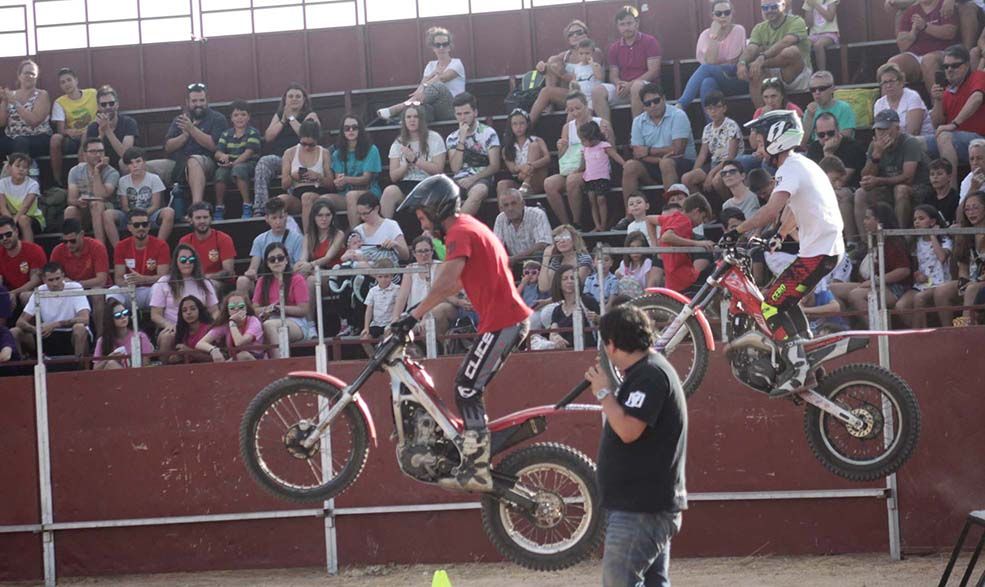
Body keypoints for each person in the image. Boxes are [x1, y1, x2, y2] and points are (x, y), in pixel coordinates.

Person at [390, 175, 532, 492]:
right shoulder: (466, 228)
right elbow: (453, 280)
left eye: (423, 216)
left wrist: (412, 316)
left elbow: (449, 281)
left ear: (437, 209)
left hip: (503, 323)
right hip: (501, 321)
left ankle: (477, 465)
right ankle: (473, 456)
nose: (423, 225)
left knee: (467, 387)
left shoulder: (460, 232)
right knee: (466, 385)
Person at [729, 109, 845, 396]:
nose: (758, 147)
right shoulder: (801, 165)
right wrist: (779, 235)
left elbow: (771, 210)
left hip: (818, 253)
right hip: (824, 250)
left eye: (760, 140)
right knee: (786, 302)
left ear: (776, 138)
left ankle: (797, 370)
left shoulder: (789, 168)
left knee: (768, 306)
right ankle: (807, 357)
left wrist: (738, 230)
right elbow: (794, 208)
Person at [583, 304, 687, 587]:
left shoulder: (649, 375)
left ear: (612, 344)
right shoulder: (648, 371)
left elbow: (629, 430)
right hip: (644, 506)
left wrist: (604, 392)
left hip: (641, 509)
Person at [618, 83, 697, 229]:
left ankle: (671, 214)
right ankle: (629, 217)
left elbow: (678, 149)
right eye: (648, 103)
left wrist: (648, 151)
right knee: (630, 166)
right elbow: (637, 153)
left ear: (664, 99)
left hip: (683, 163)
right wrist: (658, 158)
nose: (653, 105)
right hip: (656, 163)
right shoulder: (638, 121)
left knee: (666, 163)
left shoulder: (678, 115)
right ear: (643, 106)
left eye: (656, 100)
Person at [829, 202, 912, 328]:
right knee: (832, 288)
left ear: (879, 221)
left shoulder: (893, 242)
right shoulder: (872, 240)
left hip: (895, 288)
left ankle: (878, 332)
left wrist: (876, 281)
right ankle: (845, 327)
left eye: (868, 218)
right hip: (874, 284)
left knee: (855, 295)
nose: (864, 222)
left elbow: (904, 270)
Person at [544, 92, 615, 228]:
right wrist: (561, 148)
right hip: (572, 168)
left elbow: (612, 152)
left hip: (596, 170)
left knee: (572, 180)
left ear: (586, 105)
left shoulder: (601, 123)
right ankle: (566, 224)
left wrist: (603, 139)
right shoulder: (567, 127)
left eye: (578, 108)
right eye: (571, 110)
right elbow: (562, 159)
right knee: (549, 183)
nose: (575, 113)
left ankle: (577, 222)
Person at [149, 82, 228, 207]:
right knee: (146, 167)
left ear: (207, 101)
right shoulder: (180, 119)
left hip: (206, 163)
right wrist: (184, 136)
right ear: (187, 102)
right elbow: (167, 148)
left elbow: (215, 146)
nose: (198, 104)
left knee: (193, 161)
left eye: (202, 100)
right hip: (178, 163)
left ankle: (197, 207)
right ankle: (156, 210)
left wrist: (192, 130)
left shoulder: (218, 118)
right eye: (194, 101)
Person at [854, 109, 932, 232]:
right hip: (888, 187)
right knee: (860, 193)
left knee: (900, 190)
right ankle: (865, 242)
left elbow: (908, 177)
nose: (881, 133)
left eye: (885, 129)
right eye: (879, 129)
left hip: (917, 187)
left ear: (897, 128)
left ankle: (899, 237)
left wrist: (878, 181)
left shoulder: (909, 142)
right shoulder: (874, 145)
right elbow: (865, 176)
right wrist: (876, 156)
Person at [254, 83, 321, 215]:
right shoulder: (280, 115)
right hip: (279, 157)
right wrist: (283, 120)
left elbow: (307, 135)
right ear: (285, 100)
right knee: (263, 162)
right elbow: (268, 137)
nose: (294, 99)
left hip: (301, 159)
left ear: (304, 100)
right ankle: (260, 208)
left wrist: (291, 118)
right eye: (290, 96)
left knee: (294, 170)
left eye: (298, 96)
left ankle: (292, 207)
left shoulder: (310, 115)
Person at [376, 26, 465, 123]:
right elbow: (422, 86)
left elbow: (442, 79)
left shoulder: (456, 63)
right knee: (422, 109)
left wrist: (425, 86)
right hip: (434, 109)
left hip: (453, 109)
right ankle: (400, 120)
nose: (441, 48)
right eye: (437, 45)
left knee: (438, 87)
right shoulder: (431, 65)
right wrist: (431, 75)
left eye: (445, 44)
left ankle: (397, 109)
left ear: (449, 46)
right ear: (433, 47)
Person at [739, 0, 814, 109]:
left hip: (795, 74)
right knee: (754, 72)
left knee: (790, 51)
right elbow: (751, 49)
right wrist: (741, 63)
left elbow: (786, 42)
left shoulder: (797, 21)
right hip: (771, 71)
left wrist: (761, 58)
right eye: (765, 8)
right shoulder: (759, 28)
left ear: (783, 6)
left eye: (773, 6)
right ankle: (763, 116)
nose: (769, 10)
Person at [529, 20, 608, 123]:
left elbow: (584, 78)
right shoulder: (566, 55)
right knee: (551, 64)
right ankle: (528, 125)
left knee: (551, 75)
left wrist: (561, 73)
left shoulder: (594, 52)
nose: (575, 36)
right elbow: (552, 65)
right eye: (571, 34)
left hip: (589, 93)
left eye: (579, 32)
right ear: (568, 39)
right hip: (571, 92)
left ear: (586, 34)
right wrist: (543, 68)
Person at [150, 243, 219, 360]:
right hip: (174, 327)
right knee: (167, 337)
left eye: (191, 259)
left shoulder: (204, 282)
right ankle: (164, 372)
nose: (187, 262)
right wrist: (168, 325)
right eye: (183, 259)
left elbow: (215, 311)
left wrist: (213, 326)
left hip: (199, 328)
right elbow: (155, 314)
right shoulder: (164, 282)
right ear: (176, 262)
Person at [677, 1, 749, 112]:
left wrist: (714, 67)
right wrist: (714, 35)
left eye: (727, 12)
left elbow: (731, 61)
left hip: (735, 79)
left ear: (732, 14)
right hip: (717, 81)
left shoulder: (738, 30)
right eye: (719, 13)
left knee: (706, 69)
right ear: (712, 15)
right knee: (707, 82)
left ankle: (681, 105)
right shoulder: (705, 35)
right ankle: (712, 126)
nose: (723, 16)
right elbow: (710, 61)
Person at [594, 5, 662, 121]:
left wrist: (630, 85)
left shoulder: (650, 42)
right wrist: (619, 84)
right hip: (624, 89)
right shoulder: (614, 48)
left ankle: (637, 133)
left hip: (647, 88)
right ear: (618, 27)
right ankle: (606, 135)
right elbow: (613, 75)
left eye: (629, 23)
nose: (626, 27)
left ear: (637, 23)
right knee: (598, 91)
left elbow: (654, 71)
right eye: (622, 24)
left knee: (637, 86)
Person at [929, 44, 985, 182]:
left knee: (945, 136)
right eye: (946, 66)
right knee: (914, 143)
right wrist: (937, 100)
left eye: (955, 65)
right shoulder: (947, 91)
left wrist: (954, 124)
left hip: (979, 140)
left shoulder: (977, 76)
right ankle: (924, 190)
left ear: (966, 65)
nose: (949, 70)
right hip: (953, 141)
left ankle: (950, 192)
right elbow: (937, 124)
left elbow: (977, 98)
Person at [380, 105, 447, 219]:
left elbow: (438, 170)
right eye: (408, 117)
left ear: (421, 120)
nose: (412, 120)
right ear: (404, 121)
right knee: (389, 191)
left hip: (428, 183)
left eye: (416, 117)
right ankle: (387, 231)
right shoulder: (398, 142)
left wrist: (415, 160)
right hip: (405, 184)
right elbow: (393, 176)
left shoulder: (434, 138)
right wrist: (405, 165)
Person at [15, 262, 91, 358]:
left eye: (58, 278)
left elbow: (85, 319)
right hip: (47, 335)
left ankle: (81, 370)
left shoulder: (75, 287)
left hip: (70, 333)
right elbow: (20, 321)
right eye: (51, 280)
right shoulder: (39, 291)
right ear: (44, 280)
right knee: (15, 332)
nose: (55, 283)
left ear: (63, 276)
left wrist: (54, 325)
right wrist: (36, 330)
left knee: (80, 328)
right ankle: (20, 370)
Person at [318, 115, 381, 229]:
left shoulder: (371, 149)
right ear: (343, 132)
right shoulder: (337, 153)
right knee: (322, 200)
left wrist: (346, 179)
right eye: (347, 128)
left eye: (354, 127)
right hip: (345, 194)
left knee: (351, 196)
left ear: (360, 129)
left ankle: (354, 235)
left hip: (369, 192)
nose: (351, 130)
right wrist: (338, 182)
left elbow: (366, 178)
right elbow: (339, 186)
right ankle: (332, 236)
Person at [681, 92, 742, 208]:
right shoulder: (707, 129)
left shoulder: (731, 125)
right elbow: (703, 155)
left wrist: (710, 174)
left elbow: (731, 157)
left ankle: (730, 208)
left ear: (724, 108)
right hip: (714, 163)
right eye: (709, 108)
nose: (713, 111)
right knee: (687, 178)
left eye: (717, 107)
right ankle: (705, 209)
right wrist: (695, 171)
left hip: (730, 163)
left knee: (717, 181)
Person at [896, 204, 953, 327]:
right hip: (922, 284)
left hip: (939, 283)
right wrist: (918, 275)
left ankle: (920, 335)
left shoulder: (944, 240)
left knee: (920, 298)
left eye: (921, 219)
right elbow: (918, 266)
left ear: (932, 221)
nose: (917, 222)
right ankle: (920, 331)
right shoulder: (916, 242)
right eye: (915, 219)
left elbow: (942, 257)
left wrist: (933, 235)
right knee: (901, 306)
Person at [446, 92, 501, 216]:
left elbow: (495, 166)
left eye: (466, 113)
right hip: (458, 179)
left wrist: (473, 179)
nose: (462, 118)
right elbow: (455, 168)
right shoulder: (452, 138)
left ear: (475, 113)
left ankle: (459, 229)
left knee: (478, 191)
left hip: (481, 178)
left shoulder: (488, 133)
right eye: (459, 114)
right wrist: (461, 139)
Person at [935, 190, 985, 325]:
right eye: (967, 209)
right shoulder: (965, 234)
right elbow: (963, 266)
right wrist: (964, 282)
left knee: (971, 289)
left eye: (975, 208)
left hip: (982, 280)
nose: (971, 212)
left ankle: (964, 329)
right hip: (972, 279)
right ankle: (948, 332)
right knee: (941, 291)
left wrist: (974, 283)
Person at [253, 242, 311, 359]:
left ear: (286, 260)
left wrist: (280, 309)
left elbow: (304, 310)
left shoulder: (297, 279)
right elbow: (254, 308)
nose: (276, 262)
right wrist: (268, 309)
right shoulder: (262, 281)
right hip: (270, 318)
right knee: (263, 326)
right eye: (272, 259)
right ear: (267, 263)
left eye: (280, 258)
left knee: (269, 326)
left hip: (296, 322)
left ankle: (279, 362)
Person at [237, 198, 306, 296]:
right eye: (274, 218)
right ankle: (247, 310)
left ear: (286, 216)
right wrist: (251, 272)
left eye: (281, 217)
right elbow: (253, 267)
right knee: (242, 281)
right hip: (266, 282)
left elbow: (299, 265)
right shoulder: (259, 240)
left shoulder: (297, 238)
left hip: (289, 279)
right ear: (267, 219)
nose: (278, 221)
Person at [49, 218, 110, 330]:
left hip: (92, 293)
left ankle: (100, 339)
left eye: (72, 241)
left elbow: (101, 280)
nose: (68, 245)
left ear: (81, 234)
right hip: (71, 294)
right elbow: (52, 278)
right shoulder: (58, 251)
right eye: (64, 241)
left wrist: (74, 284)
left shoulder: (97, 247)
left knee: (97, 292)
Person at [392, 235, 457, 337]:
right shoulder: (410, 268)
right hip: (413, 311)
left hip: (434, 309)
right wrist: (395, 318)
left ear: (432, 251)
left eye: (427, 251)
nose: (424, 254)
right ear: (414, 253)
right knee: (390, 331)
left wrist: (423, 317)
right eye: (420, 251)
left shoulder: (440, 266)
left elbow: (438, 293)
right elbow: (402, 296)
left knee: (426, 326)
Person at [63, 136, 123, 248]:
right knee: (70, 210)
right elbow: (71, 199)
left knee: (96, 204)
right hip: (85, 209)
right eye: (93, 151)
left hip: (106, 209)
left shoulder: (112, 172)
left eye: (100, 151)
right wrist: (78, 202)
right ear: (85, 155)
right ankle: (72, 247)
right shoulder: (75, 171)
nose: (98, 154)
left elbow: (102, 195)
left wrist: (96, 172)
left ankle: (100, 248)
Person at [888, 0, 957, 95]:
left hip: (942, 52)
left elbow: (950, 33)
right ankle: (891, 106)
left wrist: (925, 26)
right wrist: (913, 33)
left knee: (928, 60)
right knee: (893, 64)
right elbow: (902, 45)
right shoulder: (911, 11)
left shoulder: (944, 5)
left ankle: (937, 105)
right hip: (915, 55)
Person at [109, 208, 170, 311]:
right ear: (129, 227)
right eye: (136, 225)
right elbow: (118, 279)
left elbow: (162, 277)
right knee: (112, 292)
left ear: (149, 226)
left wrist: (143, 279)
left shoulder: (161, 245)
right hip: (130, 289)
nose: (141, 228)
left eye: (144, 224)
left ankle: (159, 324)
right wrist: (132, 282)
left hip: (151, 290)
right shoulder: (121, 246)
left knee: (161, 288)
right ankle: (121, 324)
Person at [115, 147, 175, 245]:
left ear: (144, 162)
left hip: (150, 214)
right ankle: (118, 248)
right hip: (130, 216)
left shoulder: (154, 178)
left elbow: (156, 205)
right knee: (108, 215)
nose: (135, 165)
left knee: (169, 212)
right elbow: (125, 206)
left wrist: (141, 216)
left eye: (138, 161)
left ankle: (159, 245)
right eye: (131, 163)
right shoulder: (123, 181)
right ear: (127, 166)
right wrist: (134, 216)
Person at [213, 100, 262, 220]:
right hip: (229, 165)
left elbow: (248, 153)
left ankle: (247, 205)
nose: (239, 118)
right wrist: (222, 156)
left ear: (249, 117)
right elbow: (217, 152)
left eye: (243, 114)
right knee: (219, 173)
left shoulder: (253, 132)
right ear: (231, 118)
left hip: (249, 163)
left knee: (238, 169)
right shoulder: (226, 134)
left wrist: (233, 164)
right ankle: (219, 206)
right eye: (236, 115)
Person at [48, 67, 96, 186]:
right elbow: (61, 130)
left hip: (93, 135)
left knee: (87, 133)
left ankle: (84, 180)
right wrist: (68, 132)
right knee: (55, 139)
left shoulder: (93, 94)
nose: (66, 84)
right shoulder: (59, 102)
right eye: (62, 82)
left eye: (69, 80)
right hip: (72, 138)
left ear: (76, 80)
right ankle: (57, 181)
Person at [277, 119, 333, 217]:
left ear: (317, 140)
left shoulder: (324, 153)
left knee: (307, 197)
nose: (307, 147)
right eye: (303, 144)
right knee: (280, 200)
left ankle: (308, 232)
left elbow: (331, 185)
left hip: (319, 194)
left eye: (311, 145)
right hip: (297, 196)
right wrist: (293, 176)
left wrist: (318, 177)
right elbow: (284, 185)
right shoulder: (289, 153)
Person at [179, 202, 236, 295]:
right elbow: (181, 268)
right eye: (198, 218)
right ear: (190, 220)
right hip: (193, 282)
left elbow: (228, 271)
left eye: (205, 217)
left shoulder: (223, 238)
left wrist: (206, 277)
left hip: (219, 283)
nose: (202, 221)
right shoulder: (185, 241)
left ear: (211, 218)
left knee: (209, 285)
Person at [0, 59, 51, 162]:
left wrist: (15, 103)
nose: (29, 76)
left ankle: (22, 175)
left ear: (37, 77)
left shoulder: (42, 95)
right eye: (26, 73)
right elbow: (2, 123)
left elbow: (34, 121)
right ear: (19, 76)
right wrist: (5, 101)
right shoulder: (11, 95)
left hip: (38, 137)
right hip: (12, 137)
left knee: (20, 141)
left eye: (32, 73)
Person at [579, 120, 626, 231]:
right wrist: (576, 171)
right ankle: (597, 225)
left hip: (602, 177)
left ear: (592, 138)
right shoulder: (585, 149)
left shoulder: (603, 146)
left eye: (583, 140)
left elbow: (615, 156)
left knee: (601, 200)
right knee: (592, 201)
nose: (582, 142)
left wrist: (624, 164)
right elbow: (583, 164)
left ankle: (603, 224)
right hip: (589, 177)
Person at [197, 292, 265, 362]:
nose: (237, 310)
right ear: (228, 311)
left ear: (246, 308)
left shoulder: (253, 321)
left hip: (255, 361)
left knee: (244, 355)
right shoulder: (226, 325)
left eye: (241, 307)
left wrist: (232, 323)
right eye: (232, 308)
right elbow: (200, 343)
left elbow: (239, 343)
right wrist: (213, 350)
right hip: (234, 361)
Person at [84, 85, 139, 173]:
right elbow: (90, 157)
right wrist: (101, 135)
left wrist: (108, 131)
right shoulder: (93, 127)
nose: (108, 107)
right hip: (104, 168)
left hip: (127, 168)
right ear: (98, 107)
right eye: (103, 104)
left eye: (111, 103)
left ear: (117, 104)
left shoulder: (129, 123)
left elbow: (126, 155)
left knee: (123, 163)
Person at [497, 108, 550, 197]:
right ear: (510, 126)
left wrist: (530, 166)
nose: (518, 127)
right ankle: (503, 210)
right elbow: (513, 168)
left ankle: (527, 183)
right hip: (520, 179)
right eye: (515, 124)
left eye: (522, 123)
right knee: (502, 184)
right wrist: (523, 169)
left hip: (537, 178)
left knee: (533, 146)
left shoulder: (536, 140)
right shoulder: (508, 147)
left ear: (527, 124)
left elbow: (547, 158)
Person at [492, 188, 552, 267]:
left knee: (539, 253)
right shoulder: (500, 219)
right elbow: (496, 246)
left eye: (514, 203)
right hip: (514, 265)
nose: (510, 208)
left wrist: (515, 259)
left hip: (540, 263)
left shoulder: (537, 214)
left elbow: (542, 244)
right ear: (502, 208)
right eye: (506, 205)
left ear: (523, 203)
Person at [874, 62, 935, 139]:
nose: (888, 85)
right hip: (893, 142)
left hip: (919, 141)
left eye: (891, 81)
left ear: (901, 82)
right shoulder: (879, 104)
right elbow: (879, 132)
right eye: (885, 82)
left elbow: (914, 132)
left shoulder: (912, 97)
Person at [547, 264, 600, 348]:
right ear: (559, 283)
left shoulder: (589, 301)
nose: (569, 281)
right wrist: (556, 338)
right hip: (565, 354)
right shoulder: (557, 310)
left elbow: (604, 323)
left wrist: (597, 318)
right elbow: (553, 332)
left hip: (589, 352)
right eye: (565, 279)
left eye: (573, 278)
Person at [0, 215, 45, 311]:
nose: (4, 239)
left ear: (16, 231)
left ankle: (34, 326)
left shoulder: (34, 250)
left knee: (25, 296)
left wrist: (13, 293)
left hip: (33, 294)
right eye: (0, 236)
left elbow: (35, 281)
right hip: (10, 296)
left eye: (8, 234)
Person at [93, 299, 152, 370]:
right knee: (111, 364)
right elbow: (95, 369)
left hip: (136, 376)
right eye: (118, 315)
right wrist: (109, 358)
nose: (123, 317)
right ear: (110, 319)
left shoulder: (140, 337)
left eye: (125, 313)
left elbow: (145, 365)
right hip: (113, 378)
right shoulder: (102, 341)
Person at [351, 192, 409, 264]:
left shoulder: (391, 225)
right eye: (360, 214)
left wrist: (396, 245)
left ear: (376, 209)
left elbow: (406, 256)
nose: (362, 217)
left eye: (365, 213)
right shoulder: (357, 230)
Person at [802, 70, 856, 145]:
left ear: (832, 89)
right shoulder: (810, 111)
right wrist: (810, 117)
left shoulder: (844, 108)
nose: (817, 92)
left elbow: (846, 137)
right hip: (816, 151)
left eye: (822, 88)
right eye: (813, 90)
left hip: (840, 149)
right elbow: (802, 142)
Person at [296, 199, 345, 279]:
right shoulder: (308, 237)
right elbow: (303, 258)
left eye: (328, 215)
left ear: (332, 216)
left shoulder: (339, 234)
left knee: (311, 279)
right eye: (320, 215)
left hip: (334, 274)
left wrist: (310, 265)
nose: (324, 219)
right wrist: (300, 265)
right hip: (316, 271)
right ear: (314, 217)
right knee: (298, 277)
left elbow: (328, 258)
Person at [0, 152, 43, 242]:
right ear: (9, 168)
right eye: (18, 166)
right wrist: (10, 222)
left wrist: (12, 223)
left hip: (31, 218)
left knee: (23, 219)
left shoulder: (33, 184)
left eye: (25, 167)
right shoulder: (2, 183)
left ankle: (29, 250)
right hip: (9, 217)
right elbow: (3, 207)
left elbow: (25, 207)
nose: (21, 169)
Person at [539, 224, 594, 294]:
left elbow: (574, 286)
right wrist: (545, 258)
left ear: (574, 240)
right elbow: (544, 288)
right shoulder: (557, 261)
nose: (562, 241)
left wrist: (549, 301)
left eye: (565, 237)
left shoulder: (584, 258)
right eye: (557, 239)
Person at [361, 258, 400, 340]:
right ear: (376, 276)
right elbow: (369, 310)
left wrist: (393, 324)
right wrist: (366, 328)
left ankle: (387, 352)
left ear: (392, 275)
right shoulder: (373, 291)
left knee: (388, 338)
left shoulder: (397, 289)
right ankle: (373, 353)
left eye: (386, 276)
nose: (383, 279)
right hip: (376, 324)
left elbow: (399, 308)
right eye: (380, 276)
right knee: (364, 338)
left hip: (390, 324)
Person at [174, 295, 213, 362]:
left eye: (193, 309)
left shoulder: (209, 329)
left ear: (199, 310)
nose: (188, 312)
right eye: (184, 310)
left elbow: (215, 358)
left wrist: (190, 352)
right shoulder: (182, 331)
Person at [924, 158, 961, 223]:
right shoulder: (927, 198)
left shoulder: (956, 198)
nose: (935, 177)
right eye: (932, 174)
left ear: (949, 177)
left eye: (939, 174)